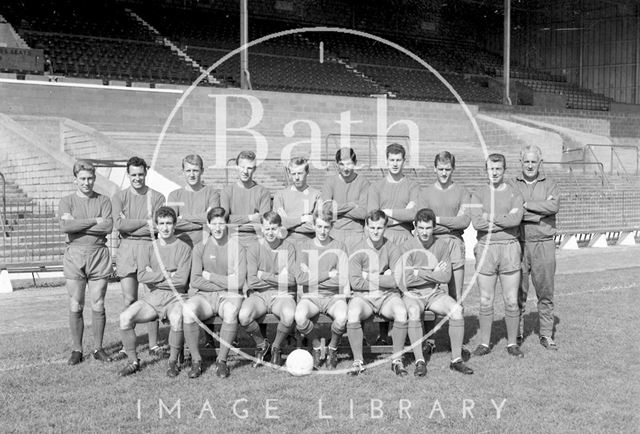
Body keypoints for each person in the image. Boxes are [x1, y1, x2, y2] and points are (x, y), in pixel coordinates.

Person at [398, 208, 474, 377]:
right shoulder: (406, 247)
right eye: (421, 228)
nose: (425, 232)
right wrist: (432, 271)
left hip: (433, 293)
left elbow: (446, 277)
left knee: (456, 310)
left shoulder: (441, 245)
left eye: (428, 228)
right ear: (415, 227)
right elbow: (406, 280)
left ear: (434, 228)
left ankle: (456, 360)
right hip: (413, 294)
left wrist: (419, 271)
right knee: (413, 311)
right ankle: (420, 361)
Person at [117, 207, 192, 377]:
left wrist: (155, 275)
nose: (165, 228)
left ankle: (172, 362)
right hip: (154, 297)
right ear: (156, 226)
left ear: (174, 225)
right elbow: (142, 275)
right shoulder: (149, 248)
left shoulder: (184, 247)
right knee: (125, 317)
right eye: (162, 223)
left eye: (169, 223)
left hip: (176, 297)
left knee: (177, 318)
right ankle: (133, 362)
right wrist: (166, 274)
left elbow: (181, 280)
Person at [469, 153, 525, 358]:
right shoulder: (478, 194)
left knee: (511, 299)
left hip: (509, 247)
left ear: (504, 170)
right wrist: (504, 219)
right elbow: (477, 223)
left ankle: (512, 343)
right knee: (486, 299)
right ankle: (484, 343)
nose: (494, 172)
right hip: (486, 248)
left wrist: (490, 217)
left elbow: (515, 220)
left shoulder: (514, 193)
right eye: (491, 169)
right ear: (486, 170)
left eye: (498, 169)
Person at [59, 160, 113, 365]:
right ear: (75, 180)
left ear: (94, 179)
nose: (87, 182)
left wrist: (78, 225)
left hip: (99, 254)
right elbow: (65, 227)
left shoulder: (104, 200)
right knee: (76, 303)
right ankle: (77, 349)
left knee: (98, 301)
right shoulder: (66, 201)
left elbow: (107, 227)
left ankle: (99, 348)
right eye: (82, 178)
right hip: (75, 255)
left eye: (90, 178)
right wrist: (93, 220)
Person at [111, 156, 165, 359]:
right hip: (126, 250)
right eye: (133, 174)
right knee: (129, 298)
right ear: (128, 174)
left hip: (150, 249)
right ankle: (127, 345)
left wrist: (131, 223)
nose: (137, 178)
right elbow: (119, 225)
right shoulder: (119, 197)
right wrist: (144, 222)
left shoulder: (157, 197)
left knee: (152, 297)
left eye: (140, 174)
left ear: (146, 173)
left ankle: (153, 345)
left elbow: (156, 227)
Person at [182, 207, 246, 379]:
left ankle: (222, 361)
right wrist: (225, 283)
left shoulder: (237, 247)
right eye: (214, 223)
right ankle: (196, 361)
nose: (218, 228)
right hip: (205, 296)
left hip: (230, 296)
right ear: (208, 225)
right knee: (188, 310)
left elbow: (239, 282)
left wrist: (210, 276)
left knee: (231, 311)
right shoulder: (199, 247)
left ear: (227, 225)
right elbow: (195, 280)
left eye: (221, 223)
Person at [346, 210, 409, 377]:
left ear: (385, 227)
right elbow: (355, 282)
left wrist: (368, 276)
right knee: (353, 312)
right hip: (363, 297)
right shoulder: (357, 249)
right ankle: (358, 361)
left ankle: (397, 360)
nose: (375, 231)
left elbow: (397, 280)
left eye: (379, 228)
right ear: (366, 226)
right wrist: (383, 278)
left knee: (401, 311)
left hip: (387, 296)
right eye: (372, 227)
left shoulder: (392, 248)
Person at [367, 143, 419, 345]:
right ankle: (382, 334)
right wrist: (401, 213)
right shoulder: (377, 186)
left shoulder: (412, 185)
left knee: (404, 284)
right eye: (392, 160)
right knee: (383, 282)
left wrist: (386, 213)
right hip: (383, 240)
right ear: (386, 161)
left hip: (405, 239)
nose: (395, 164)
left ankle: (405, 332)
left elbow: (413, 214)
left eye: (398, 160)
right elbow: (372, 214)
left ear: (404, 161)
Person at [512, 145, 559, 350]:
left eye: (533, 161)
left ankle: (546, 334)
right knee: (518, 291)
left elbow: (554, 207)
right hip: (520, 243)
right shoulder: (512, 185)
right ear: (521, 162)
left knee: (545, 290)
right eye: (526, 161)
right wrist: (541, 210)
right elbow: (513, 212)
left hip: (544, 244)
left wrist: (527, 206)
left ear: (540, 163)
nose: (530, 165)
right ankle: (518, 333)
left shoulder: (550, 184)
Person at [239, 211, 297, 367]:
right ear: (261, 229)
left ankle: (276, 347)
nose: (270, 232)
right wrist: (279, 279)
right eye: (267, 228)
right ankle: (262, 344)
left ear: (280, 229)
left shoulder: (289, 248)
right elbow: (252, 282)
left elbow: (292, 280)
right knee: (244, 315)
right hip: (259, 295)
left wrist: (263, 275)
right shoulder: (253, 248)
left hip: (282, 296)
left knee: (289, 314)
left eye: (273, 228)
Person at [294, 208, 349, 369]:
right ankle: (317, 346)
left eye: (326, 227)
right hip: (311, 297)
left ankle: (332, 348)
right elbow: (301, 279)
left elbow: (343, 279)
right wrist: (329, 274)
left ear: (331, 226)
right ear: (313, 226)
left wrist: (313, 277)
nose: (322, 231)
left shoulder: (339, 246)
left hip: (334, 297)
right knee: (299, 317)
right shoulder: (304, 246)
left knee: (342, 318)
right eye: (319, 226)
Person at [418, 151, 471, 301]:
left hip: (454, 244)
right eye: (440, 169)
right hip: (431, 244)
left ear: (453, 169)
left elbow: (464, 222)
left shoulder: (462, 192)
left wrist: (437, 219)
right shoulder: (425, 193)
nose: (444, 173)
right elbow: (423, 225)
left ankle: (456, 324)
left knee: (456, 295)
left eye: (447, 169)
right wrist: (451, 224)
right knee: (429, 293)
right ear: (434, 168)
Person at [320, 148, 369, 253]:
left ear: (355, 163)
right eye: (342, 164)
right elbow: (327, 210)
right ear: (336, 164)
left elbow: (363, 213)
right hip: (334, 232)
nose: (346, 168)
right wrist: (351, 205)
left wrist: (337, 210)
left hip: (356, 233)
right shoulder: (330, 182)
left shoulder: (364, 183)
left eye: (349, 164)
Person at [220, 150, 271, 250]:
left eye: (249, 168)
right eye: (242, 167)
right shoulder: (227, 191)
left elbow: (264, 222)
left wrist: (235, 222)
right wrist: (250, 218)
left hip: (256, 240)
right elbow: (224, 220)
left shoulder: (263, 192)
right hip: (232, 239)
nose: (245, 171)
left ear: (255, 169)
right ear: (236, 167)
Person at [167, 154, 220, 248]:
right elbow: (172, 223)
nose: (191, 175)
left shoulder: (212, 193)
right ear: (183, 172)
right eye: (188, 171)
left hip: (205, 246)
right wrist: (202, 225)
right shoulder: (174, 195)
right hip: (180, 246)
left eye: (195, 170)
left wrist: (182, 217)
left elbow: (213, 220)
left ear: (202, 171)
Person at [273, 157, 321, 245]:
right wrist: (302, 219)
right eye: (293, 174)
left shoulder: (317, 195)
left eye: (300, 173)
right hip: (285, 244)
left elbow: (316, 226)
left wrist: (288, 223)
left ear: (307, 172)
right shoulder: (280, 195)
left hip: (309, 243)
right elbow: (276, 225)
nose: (297, 177)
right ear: (289, 174)